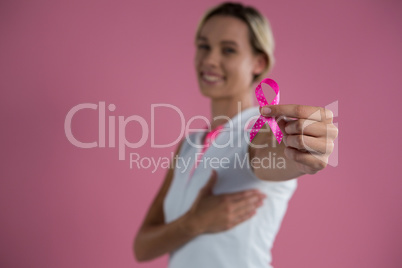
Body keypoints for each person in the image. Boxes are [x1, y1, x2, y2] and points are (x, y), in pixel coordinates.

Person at [133, 2, 338, 267]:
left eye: (228, 50)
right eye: (204, 46)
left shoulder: (260, 131)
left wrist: (304, 151)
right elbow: (142, 247)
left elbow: (277, 154)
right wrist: (194, 223)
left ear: (258, 62)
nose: (209, 60)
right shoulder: (188, 145)